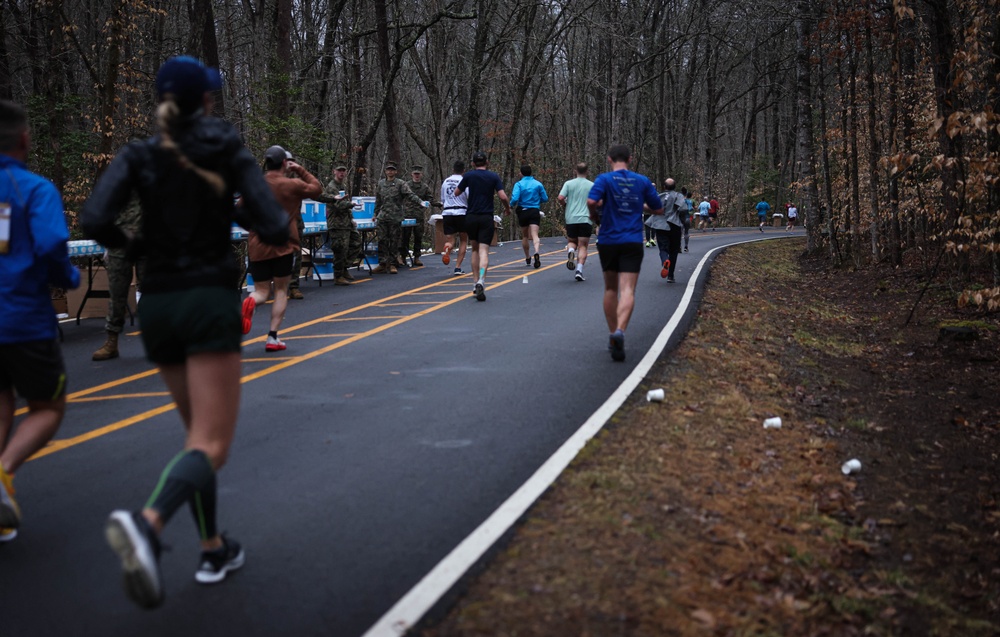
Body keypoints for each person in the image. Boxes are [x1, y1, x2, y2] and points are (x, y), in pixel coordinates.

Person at [80, 56, 289, 607]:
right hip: (206, 297)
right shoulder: (226, 149)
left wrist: (139, 246)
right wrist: (232, 209)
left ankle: (213, 546)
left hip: (158, 303)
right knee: (213, 444)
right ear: (208, 100)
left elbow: (94, 220)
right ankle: (148, 526)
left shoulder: (140, 153)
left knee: (197, 437)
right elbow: (270, 224)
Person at [0, 99, 81, 542]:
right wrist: (67, 276)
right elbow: (51, 243)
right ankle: (4, 474)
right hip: (22, 319)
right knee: (48, 408)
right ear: (24, 139)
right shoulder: (31, 188)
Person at [242, 145, 322, 352]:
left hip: (258, 244)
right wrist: (300, 170)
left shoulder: (254, 185)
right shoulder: (292, 184)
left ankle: (251, 301)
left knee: (261, 291)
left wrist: (253, 228)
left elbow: (238, 210)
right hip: (284, 245)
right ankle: (272, 337)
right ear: (285, 163)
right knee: (280, 290)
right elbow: (316, 189)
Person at [586, 144, 662, 362]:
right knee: (628, 289)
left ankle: (612, 335)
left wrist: (594, 216)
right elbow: (658, 209)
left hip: (608, 239)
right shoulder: (642, 181)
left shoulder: (604, 180)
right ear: (630, 158)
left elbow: (592, 201)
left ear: (609, 159)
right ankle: (621, 331)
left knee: (610, 288)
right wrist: (641, 205)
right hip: (632, 240)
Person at [92, 199, 146, 361]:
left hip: (149, 238)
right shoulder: (120, 177)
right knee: (117, 291)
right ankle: (112, 341)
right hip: (120, 239)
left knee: (153, 290)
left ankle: (161, 340)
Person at [454, 151, 511, 301]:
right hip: (486, 217)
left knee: (474, 249)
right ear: (487, 163)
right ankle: (481, 280)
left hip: (471, 216)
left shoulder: (468, 176)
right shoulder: (493, 176)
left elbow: (456, 192)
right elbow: (503, 196)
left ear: (473, 163)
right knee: (484, 250)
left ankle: (474, 283)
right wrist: (507, 208)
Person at [372, 161, 425, 274]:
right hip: (383, 217)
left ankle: (392, 264)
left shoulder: (400, 183)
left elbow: (410, 194)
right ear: (386, 171)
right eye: (388, 170)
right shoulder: (381, 183)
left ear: (395, 171)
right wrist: (375, 214)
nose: (390, 171)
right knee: (382, 240)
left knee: (394, 241)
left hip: (395, 217)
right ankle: (382, 263)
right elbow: (378, 200)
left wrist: (420, 201)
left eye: (392, 170)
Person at [316, 165, 362, 285]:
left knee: (356, 243)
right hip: (336, 223)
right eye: (339, 171)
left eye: (343, 170)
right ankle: (338, 275)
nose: (341, 173)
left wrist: (351, 218)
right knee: (340, 249)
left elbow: (345, 204)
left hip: (346, 222)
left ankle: (344, 268)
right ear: (334, 172)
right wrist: (351, 204)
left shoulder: (342, 186)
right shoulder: (332, 187)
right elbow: (338, 205)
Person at [557, 162, 594, 282]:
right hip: (585, 218)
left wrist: (565, 205)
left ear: (575, 171)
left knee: (572, 241)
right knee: (583, 245)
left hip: (571, 217)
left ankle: (571, 251)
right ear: (587, 171)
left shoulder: (568, 184)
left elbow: (560, 198)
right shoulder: (592, 185)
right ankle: (579, 270)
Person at [645, 178, 685, 283]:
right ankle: (670, 276)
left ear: (664, 187)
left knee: (663, 248)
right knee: (674, 250)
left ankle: (665, 261)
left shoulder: (659, 196)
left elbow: (651, 207)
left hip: (660, 225)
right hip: (674, 225)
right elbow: (684, 209)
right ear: (675, 187)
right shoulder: (678, 196)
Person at [509, 164, 548, 268]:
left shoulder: (519, 184)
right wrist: (536, 201)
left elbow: (515, 198)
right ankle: (536, 251)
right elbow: (545, 198)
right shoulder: (538, 184)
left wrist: (510, 205)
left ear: (521, 173)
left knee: (525, 236)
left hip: (523, 211)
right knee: (535, 234)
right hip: (534, 210)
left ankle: (527, 258)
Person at [439, 160, 469, 276]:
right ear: (463, 170)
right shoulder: (463, 181)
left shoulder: (446, 181)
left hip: (448, 212)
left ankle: (448, 248)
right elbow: (468, 196)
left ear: (453, 169)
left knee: (450, 240)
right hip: (461, 212)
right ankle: (458, 267)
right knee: (463, 240)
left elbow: (442, 199)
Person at [285, 150, 307, 300]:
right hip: (277, 226)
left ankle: (293, 286)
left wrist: (333, 198)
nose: (289, 165)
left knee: (296, 255)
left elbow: (316, 191)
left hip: (295, 224)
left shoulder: (296, 182)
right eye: (287, 161)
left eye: (292, 162)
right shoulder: (270, 181)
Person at [401, 165, 434, 267]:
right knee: (405, 237)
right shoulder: (406, 185)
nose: (417, 176)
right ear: (412, 174)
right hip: (407, 215)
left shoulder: (424, 187)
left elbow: (430, 198)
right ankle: (403, 257)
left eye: (418, 174)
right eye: (415, 174)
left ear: (421, 175)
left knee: (418, 237)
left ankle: (417, 257)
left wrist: (436, 203)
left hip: (419, 215)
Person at [681, 187, 693, 252]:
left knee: (679, 233)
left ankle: (679, 246)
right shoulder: (689, 201)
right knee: (686, 232)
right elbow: (690, 209)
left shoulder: (679, 200)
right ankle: (686, 246)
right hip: (687, 217)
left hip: (680, 218)